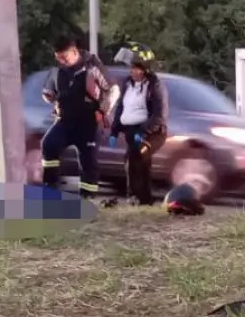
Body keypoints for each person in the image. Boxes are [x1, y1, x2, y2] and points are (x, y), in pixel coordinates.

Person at [40, 35, 117, 201]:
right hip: (66, 120)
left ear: (74, 52)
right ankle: (49, 189)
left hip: (89, 122)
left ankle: (87, 198)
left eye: (64, 57)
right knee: (49, 144)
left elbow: (113, 89)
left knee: (88, 161)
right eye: (58, 57)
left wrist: (105, 110)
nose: (62, 61)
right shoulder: (57, 68)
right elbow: (49, 90)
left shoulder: (92, 66)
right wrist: (49, 96)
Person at [108, 42, 169, 206]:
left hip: (154, 133)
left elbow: (159, 115)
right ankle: (143, 199)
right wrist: (114, 131)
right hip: (131, 131)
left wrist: (144, 131)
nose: (133, 71)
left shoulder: (154, 86)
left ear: (145, 68)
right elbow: (122, 108)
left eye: (137, 68)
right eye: (131, 68)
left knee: (138, 155)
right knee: (133, 160)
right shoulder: (127, 84)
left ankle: (137, 197)